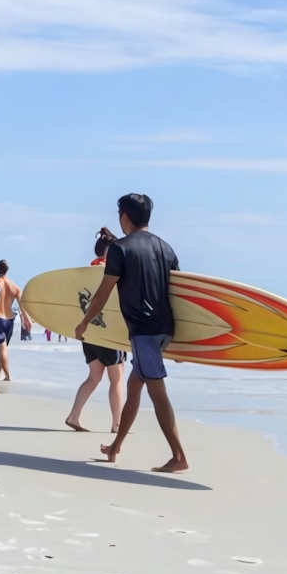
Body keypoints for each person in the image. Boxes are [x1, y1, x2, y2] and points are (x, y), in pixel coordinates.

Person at [76, 194, 188, 473]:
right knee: (134, 386)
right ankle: (116, 446)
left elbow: (104, 291)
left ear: (124, 216)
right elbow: (181, 296)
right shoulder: (167, 249)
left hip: (143, 333)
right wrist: (183, 343)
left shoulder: (119, 249)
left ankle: (178, 456)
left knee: (157, 393)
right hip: (164, 330)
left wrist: (85, 322)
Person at [65, 227, 127, 433]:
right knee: (117, 379)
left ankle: (74, 416)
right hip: (108, 333)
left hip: (89, 333)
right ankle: (117, 424)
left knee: (93, 377)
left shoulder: (88, 272)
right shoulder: (112, 270)